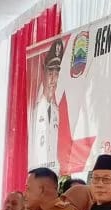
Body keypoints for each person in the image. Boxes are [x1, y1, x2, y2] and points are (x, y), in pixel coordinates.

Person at [30, 39, 64, 171]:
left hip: (52, 173)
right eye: (50, 74)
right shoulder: (34, 109)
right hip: (36, 172)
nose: (53, 80)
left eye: (56, 74)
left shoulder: (57, 111)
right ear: (43, 74)